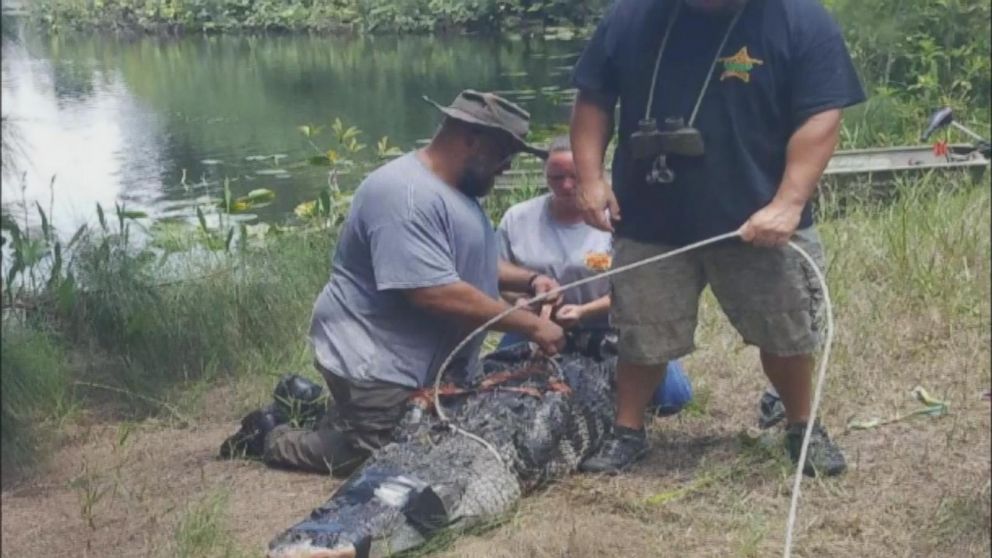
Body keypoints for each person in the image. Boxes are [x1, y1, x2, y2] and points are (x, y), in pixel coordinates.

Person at [570, 0, 865, 476]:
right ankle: (628, 432)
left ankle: (802, 427)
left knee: (787, 331)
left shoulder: (799, 18)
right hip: (649, 218)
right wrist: (589, 178)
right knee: (640, 333)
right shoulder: (630, 17)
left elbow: (821, 115)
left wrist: (789, 202)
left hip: (757, 218)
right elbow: (593, 99)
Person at [220, 90, 566, 476]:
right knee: (385, 456)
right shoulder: (406, 194)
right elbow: (433, 292)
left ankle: (307, 403)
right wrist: (532, 325)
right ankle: (269, 436)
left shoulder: (457, 190)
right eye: (505, 153)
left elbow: (466, 261)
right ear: (472, 139)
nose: (506, 167)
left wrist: (531, 279)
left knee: (441, 431)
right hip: (376, 361)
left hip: (416, 365)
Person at [495, 135, 693, 416]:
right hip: (538, 324)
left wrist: (584, 311)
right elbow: (503, 279)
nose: (566, 186)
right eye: (556, 177)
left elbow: (639, 288)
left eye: (574, 177)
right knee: (496, 385)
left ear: (593, 174)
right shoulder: (517, 218)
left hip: (612, 323)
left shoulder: (621, 216)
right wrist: (524, 303)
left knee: (672, 399)